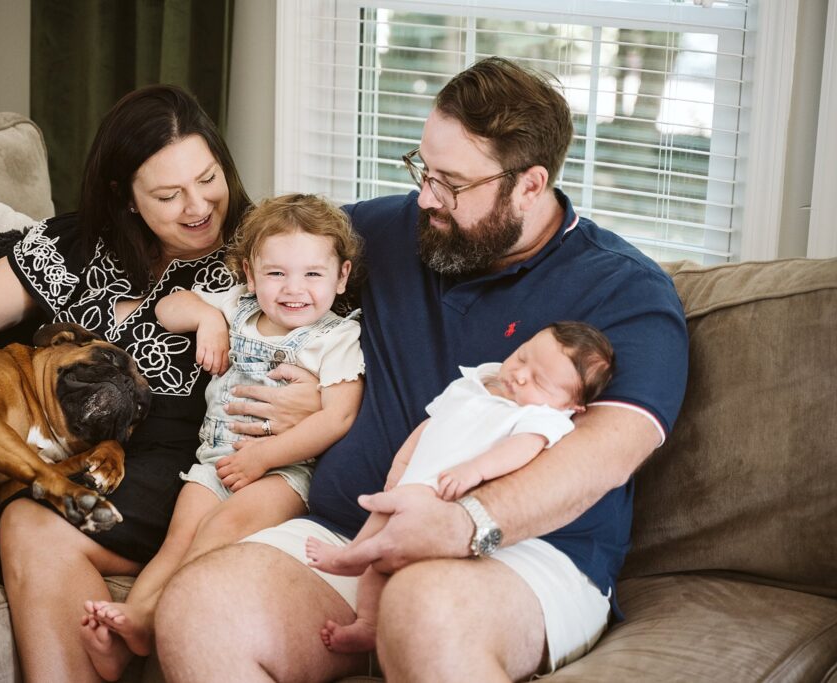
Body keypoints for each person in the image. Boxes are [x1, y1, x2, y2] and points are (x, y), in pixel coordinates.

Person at [153, 56, 688, 682]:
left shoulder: (626, 291)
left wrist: (467, 522)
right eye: (422, 170)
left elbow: (605, 453)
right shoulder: (387, 231)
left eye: (451, 184)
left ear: (531, 185)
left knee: (421, 607)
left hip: (522, 557)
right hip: (348, 534)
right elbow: (261, 258)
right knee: (197, 607)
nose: (425, 197)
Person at [0, 85, 316, 682]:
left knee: (29, 520)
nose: (198, 206)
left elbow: (330, 337)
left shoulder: (263, 250)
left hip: (176, 463)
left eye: (209, 178)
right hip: (46, 447)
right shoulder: (74, 244)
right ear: (125, 197)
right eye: (168, 194)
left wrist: (311, 401)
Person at [79, 193, 365, 680]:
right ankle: (139, 623)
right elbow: (169, 309)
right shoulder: (236, 305)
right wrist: (207, 318)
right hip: (214, 459)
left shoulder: (335, 338)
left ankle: (160, 613)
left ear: (341, 277)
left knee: (220, 530)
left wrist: (266, 456)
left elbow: (338, 418)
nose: (294, 289)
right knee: (177, 539)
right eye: (276, 273)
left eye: (313, 274)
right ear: (250, 275)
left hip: (284, 472)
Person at [306, 322, 614, 654]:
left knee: (383, 539)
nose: (521, 375)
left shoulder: (541, 417)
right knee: (378, 558)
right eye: (522, 357)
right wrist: (402, 463)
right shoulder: (475, 382)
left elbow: (521, 450)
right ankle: (368, 624)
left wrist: (475, 470)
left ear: (572, 406)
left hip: (445, 501)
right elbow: (430, 424)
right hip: (413, 484)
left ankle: (350, 558)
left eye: (539, 381)